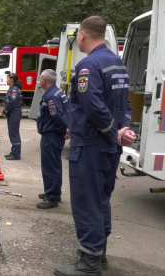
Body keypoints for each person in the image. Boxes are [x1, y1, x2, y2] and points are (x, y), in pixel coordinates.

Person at [54, 16, 136, 276]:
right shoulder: (117, 63)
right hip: (109, 149)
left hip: (90, 146)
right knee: (101, 200)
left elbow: (93, 107)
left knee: (86, 201)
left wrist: (113, 132)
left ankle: (89, 264)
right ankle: (99, 255)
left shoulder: (88, 65)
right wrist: (122, 130)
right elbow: (125, 105)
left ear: (83, 35)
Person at [36, 69, 68, 210]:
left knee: (50, 167)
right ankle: (53, 191)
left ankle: (52, 197)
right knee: (54, 165)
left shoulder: (51, 96)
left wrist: (62, 131)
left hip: (51, 135)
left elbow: (58, 117)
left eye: (40, 78)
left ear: (44, 80)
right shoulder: (57, 92)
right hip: (54, 134)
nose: (39, 80)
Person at [2, 72, 22, 160]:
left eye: (8, 79)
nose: (7, 80)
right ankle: (13, 151)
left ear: (12, 80)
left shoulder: (14, 90)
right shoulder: (11, 89)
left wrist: (5, 111)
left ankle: (16, 154)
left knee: (14, 133)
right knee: (11, 133)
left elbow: (12, 103)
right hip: (11, 113)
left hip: (14, 114)